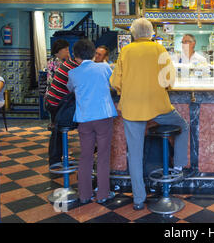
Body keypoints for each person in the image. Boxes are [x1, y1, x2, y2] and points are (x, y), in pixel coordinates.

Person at [110, 18, 189, 211]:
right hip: (158, 106)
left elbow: (115, 82)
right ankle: (178, 166)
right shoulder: (159, 49)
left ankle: (138, 199)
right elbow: (170, 80)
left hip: (132, 108)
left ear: (133, 34)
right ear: (152, 33)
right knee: (183, 126)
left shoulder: (126, 51)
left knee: (135, 154)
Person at [67, 39, 117, 204]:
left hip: (84, 118)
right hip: (103, 116)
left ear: (76, 56)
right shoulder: (104, 67)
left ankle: (84, 195)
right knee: (103, 156)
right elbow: (115, 85)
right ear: (93, 52)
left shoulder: (73, 73)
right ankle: (102, 194)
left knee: (85, 156)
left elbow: (70, 89)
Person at [45, 55, 80, 167]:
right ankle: (55, 161)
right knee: (58, 132)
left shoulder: (68, 63)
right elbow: (76, 89)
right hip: (57, 103)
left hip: (53, 101)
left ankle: (57, 159)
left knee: (58, 132)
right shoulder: (74, 69)